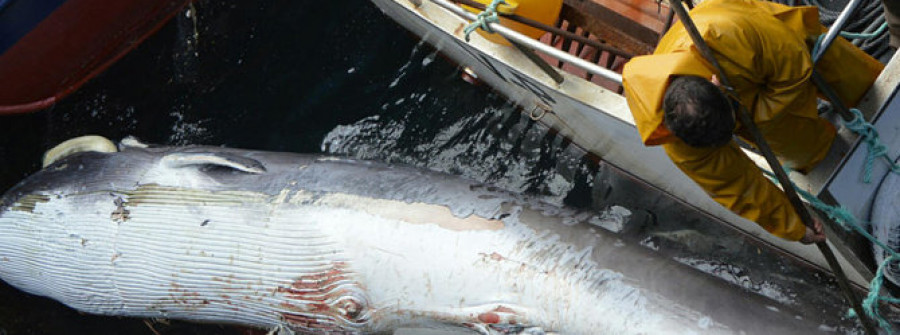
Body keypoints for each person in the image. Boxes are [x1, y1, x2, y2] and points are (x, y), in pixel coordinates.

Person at [622, 0, 884, 244]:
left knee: (857, 81)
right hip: (749, 104)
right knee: (804, 149)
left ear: (717, 83)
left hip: (782, 47)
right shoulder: (677, 142)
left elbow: (793, 64)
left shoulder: (729, 33)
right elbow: (737, 186)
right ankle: (842, 163)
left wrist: (757, 113)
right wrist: (793, 226)